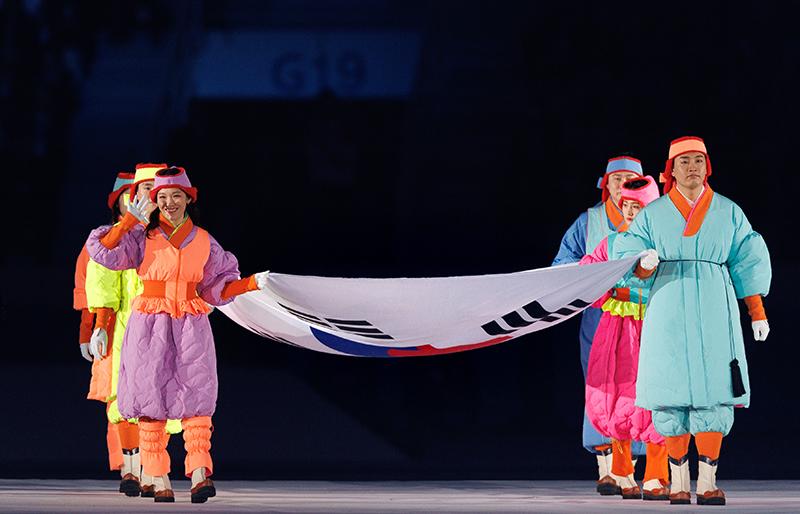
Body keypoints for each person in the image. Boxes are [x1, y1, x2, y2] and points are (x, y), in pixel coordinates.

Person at [86, 166, 268, 503]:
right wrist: (128, 222)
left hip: (189, 321)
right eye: (163, 197)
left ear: (189, 199)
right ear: (155, 202)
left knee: (196, 395)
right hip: (149, 323)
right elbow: (103, 252)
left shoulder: (203, 240)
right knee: (151, 398)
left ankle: (200, 475)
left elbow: (217, 287)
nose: (169, 203)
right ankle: (160, 478)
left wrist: (252, 283)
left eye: (176, 196)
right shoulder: (141, 238)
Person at [613, 136, 771, 505]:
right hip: (668, 301)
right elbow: (627, 247)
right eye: (684, 161)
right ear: (670, 170)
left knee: (715, 390)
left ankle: (709, 482)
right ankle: (680, 482)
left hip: (715, 301)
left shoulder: (728, 211)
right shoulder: (653, 215)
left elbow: (748, 255)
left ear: (708, 166)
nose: (692, 168)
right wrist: (641, 263)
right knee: (671, 393)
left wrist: (756, 310)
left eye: (699, 160)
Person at [552, 156, 644, 494]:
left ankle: (631, 470)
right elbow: (563, 264)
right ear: (605, 184)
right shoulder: (588, 222)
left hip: (641, 314)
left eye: (630, 179)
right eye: (616, 179)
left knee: (638, 385)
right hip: (600, 315)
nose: (622, 185)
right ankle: (605, 467)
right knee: (602, 385)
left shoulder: (653, 220)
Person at [580, 176, 669, 501]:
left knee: (656, 397)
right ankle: (622, 470)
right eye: (626, 206)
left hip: (654, 328)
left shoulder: (667, 245)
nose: (630, 212)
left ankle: (657, 474)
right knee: (616, 396)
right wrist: (608, 291)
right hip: (615, 331)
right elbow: (587, 277)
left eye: (638, 206)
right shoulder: (612, 243)